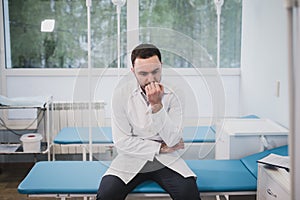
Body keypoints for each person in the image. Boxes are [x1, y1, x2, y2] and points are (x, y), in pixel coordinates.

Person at [97, 44, 200, 200]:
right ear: (133, 71)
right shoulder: (120, 95)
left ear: (161, 66)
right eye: (143, 73)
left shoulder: (176, 93)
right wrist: (160, 147)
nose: (150, 79)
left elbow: (172, 139)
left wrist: (157, 106)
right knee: (107, 194)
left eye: (155, 72)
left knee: (188, 192)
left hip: (167, 161)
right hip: (131, 158)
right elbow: (122, 142)